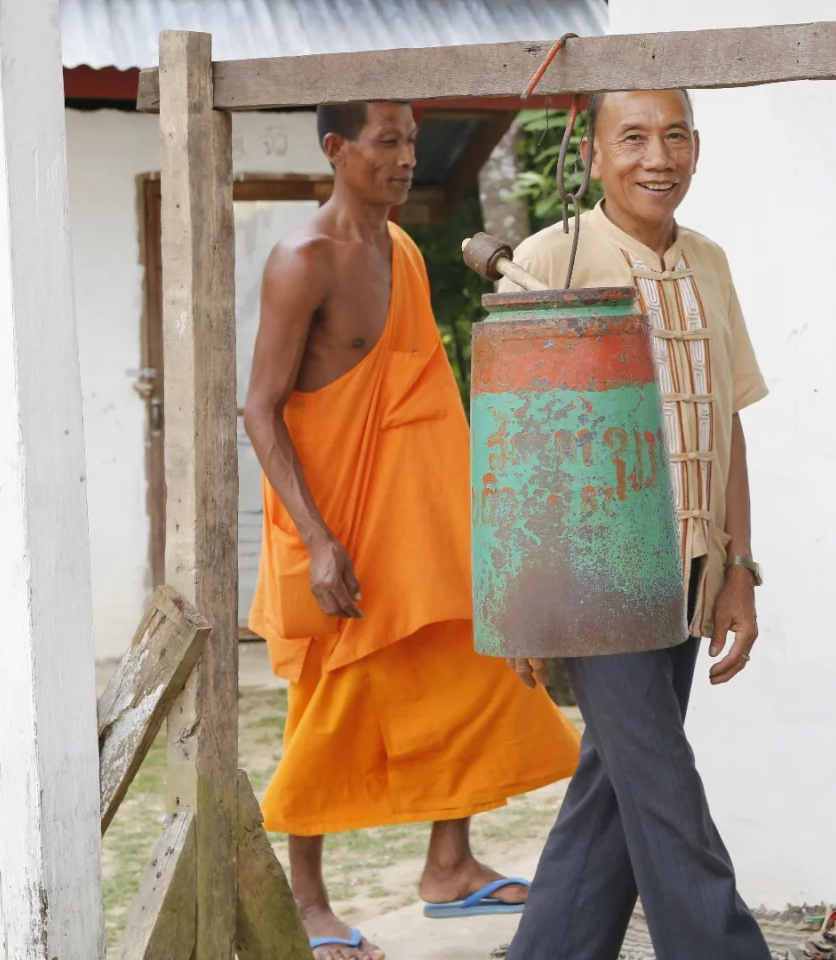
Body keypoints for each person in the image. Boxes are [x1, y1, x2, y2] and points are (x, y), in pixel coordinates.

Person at [243, 100, 581, 960]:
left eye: (411, 143)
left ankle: (449, 865)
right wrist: (318, 540)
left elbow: (419, 390)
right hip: (338, 520)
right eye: (386, 142)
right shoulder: (301, 259)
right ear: (336, 148)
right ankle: (309, 901)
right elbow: (260, 409)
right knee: (329, 699)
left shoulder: (398, 249)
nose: (403, 159)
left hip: (419, 516)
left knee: (467, 666)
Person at [500, 89, 771, 960]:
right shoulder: (548, 260)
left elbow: (726, 417)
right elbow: (520, 441)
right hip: (593, 576)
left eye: (676, 135)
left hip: (690, 567)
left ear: (698, 146)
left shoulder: (711, 262)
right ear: (592, 157)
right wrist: (525, 603)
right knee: (661, 790)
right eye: (635, 138)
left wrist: (739, 567)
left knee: (614, 794)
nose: (659, 157)